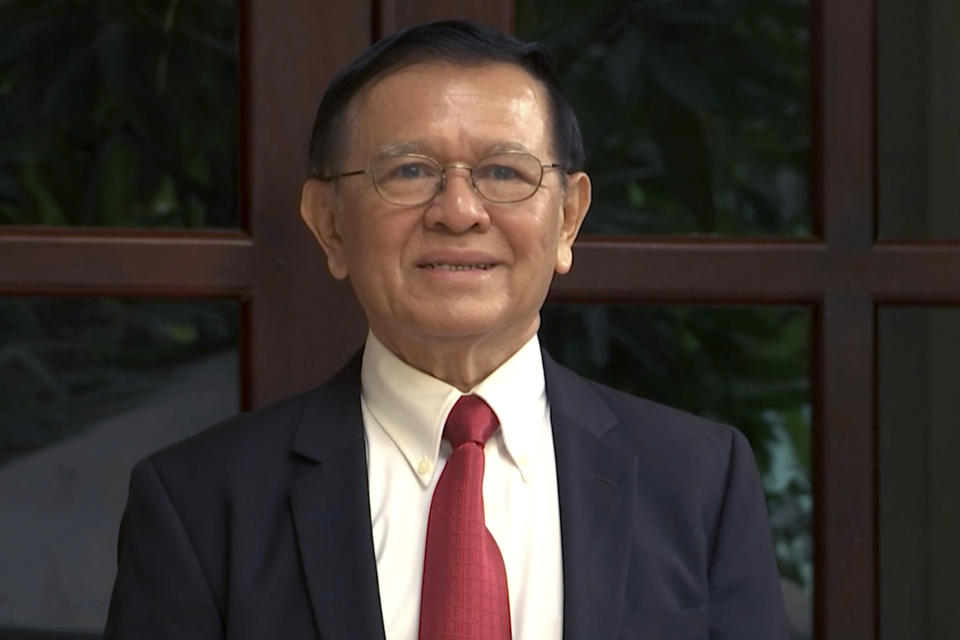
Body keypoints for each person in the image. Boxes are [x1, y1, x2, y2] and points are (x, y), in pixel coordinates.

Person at [105, 20, 788, 639]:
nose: (458, 211)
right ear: (330, 224)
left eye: (503, 172)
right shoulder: (199, 504)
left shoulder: (700, 482)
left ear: (569, 219)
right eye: (409, 172)